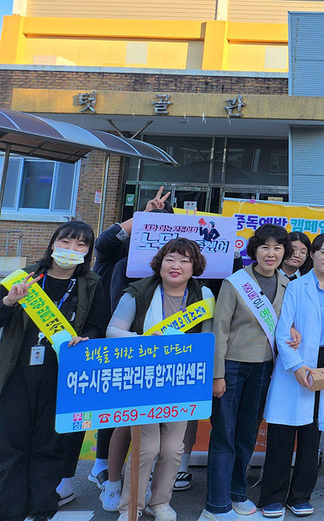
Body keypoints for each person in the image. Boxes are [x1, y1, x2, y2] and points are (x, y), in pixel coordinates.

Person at [0, 221, 107, 521]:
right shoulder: (25, 277)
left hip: (61, 375)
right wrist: (10, 300)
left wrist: (87, 338)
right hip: (17, 373)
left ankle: (42, 510)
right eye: (66, 241)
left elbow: (99, 325)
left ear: (87, 252)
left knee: (50, 445)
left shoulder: (92, 284)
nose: (72, 249)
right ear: (53, 243)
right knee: (12, 445)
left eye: (81, 245)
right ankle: (9, 510)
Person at [107, 237, 215, 521]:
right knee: (147, 446)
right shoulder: (139, 292)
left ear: (195, 266)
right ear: (159, 263)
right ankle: (131, 506)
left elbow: (207, 340)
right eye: (170, 259)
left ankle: (160, 502)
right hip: (144, 380)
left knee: (171, 448)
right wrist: (142, 340)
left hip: (181, 382)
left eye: (184, 260)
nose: (176, 266)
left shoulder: (203, 296)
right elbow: (113, 331)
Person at [258, 232, 324, 518]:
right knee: (283, 433)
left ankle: (300, 496)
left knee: (311, 436)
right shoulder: (295, 287)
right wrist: (297, 367)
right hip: (296, 366)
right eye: (322, 252)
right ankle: (273, 496)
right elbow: (283, 330)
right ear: (312, 255)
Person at [90, 188, 175, 493]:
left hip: (159, 341)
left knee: (148, 413)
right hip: (117, 335)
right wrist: (142, 216)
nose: (158, 233)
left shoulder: (175, 264)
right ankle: (102, 467)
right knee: (115, 403)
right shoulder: (120, 255)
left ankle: (142, 475)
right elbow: (103, 243)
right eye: (153, 226)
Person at [205, 224, 291, 521]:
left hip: (264, 368)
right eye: (265, 247)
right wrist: (217, 375)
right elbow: (220, 330)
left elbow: (285, 327)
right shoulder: (235, 282)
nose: (271, 253)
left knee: (246, 434)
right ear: (254, 250)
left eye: (278, 248)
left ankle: (237, 494)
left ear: (284, 253)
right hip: (231, 366)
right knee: (224, 434)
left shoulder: (286, 284)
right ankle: (216, 504)